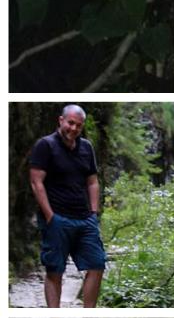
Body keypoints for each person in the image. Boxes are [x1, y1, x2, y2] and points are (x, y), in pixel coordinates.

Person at [29, 104, 106, 308]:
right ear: (61, 120)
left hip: (84, 218)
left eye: (78, 126)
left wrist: (93, 212)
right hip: (57, 218)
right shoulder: (45, 145)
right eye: (70, 123)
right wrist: (50, 216)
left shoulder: (86, 147)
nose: (73, 128)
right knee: (55, 270)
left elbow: (92, 181)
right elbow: (37, 182)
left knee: (97, 264)